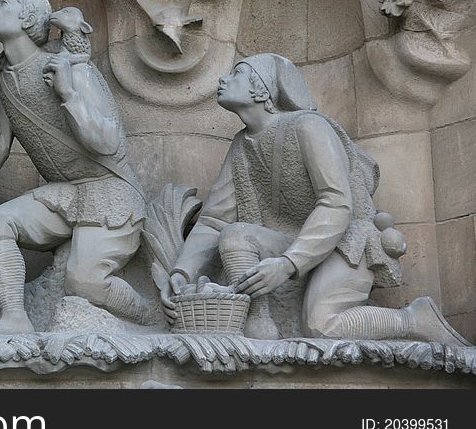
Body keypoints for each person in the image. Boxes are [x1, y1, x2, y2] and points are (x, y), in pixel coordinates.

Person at [162, 53, 470, 345]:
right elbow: (216, 220)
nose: (223, 79)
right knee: (235, 235)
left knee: (321, 325)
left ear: (262, 91)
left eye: (237, 73)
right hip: (291, 244)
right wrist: (182, 272)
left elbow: (336, 203)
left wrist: (288, 263)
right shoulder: (241, 146)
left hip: (345, 243)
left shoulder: (308, 126)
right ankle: (259, 323)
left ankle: (413, 319)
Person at [0, 0, 151, 334]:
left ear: (27, 17)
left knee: (84, 282)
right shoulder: (4, 80)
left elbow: (108, 141)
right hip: (64, 195)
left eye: (3, 1)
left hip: (109, 193)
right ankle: (14, 319)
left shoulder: (70, 66)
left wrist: (68, 93)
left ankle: (148, 314)